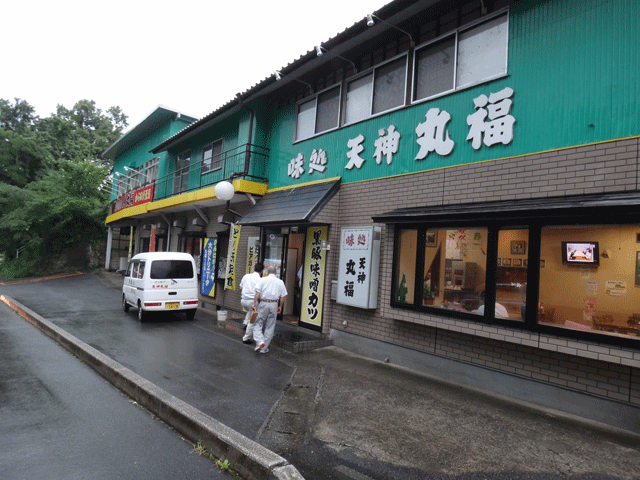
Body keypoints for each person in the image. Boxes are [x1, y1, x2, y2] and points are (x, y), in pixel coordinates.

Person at [252, 265, 287, 354]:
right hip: (274, 304)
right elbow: (282, 297)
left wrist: (254, 303)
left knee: (258, 323)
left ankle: (260, 341)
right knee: (270, 326)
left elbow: (257, 293)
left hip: (264, 303)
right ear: (276, 272)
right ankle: (264, 349)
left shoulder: (262, 280)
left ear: (267, 272)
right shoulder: (280, 282)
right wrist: (280, 307)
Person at [239, 262, 263, 344]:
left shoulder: (246, 276)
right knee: (252, 321)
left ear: (254, 268)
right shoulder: (260, 280)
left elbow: (240, 288)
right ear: (262, 271)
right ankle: (246, 338)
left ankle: (245, 322)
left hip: (243, 301)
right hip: (252, 302)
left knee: (249, 312)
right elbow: (259, 293)